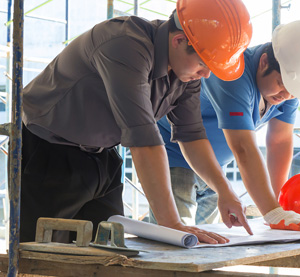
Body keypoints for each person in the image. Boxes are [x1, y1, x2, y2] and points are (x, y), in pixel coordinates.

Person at [20, 0, 254, 244]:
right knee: (39, 253)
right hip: (50, 150)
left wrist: (225, 192)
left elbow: (192, 134)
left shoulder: (186, 72)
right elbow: (144, 139)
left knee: (106, 252)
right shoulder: (125, 44)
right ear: (179, 41)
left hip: (103, 156)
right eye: (204, 64)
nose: (206, 75)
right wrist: (172, 224)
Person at [152, 20, 300, 231]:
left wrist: (279, 205)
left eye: (293, 90)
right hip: (176, 158)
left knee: (207, 245)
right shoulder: (233, 72)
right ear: (264, 62)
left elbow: (280, 141)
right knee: (177, 242)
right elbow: (243, 147)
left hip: (214, 170)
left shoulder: (290, 84)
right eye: (282, 85)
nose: (287, 96)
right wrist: (273, 213)